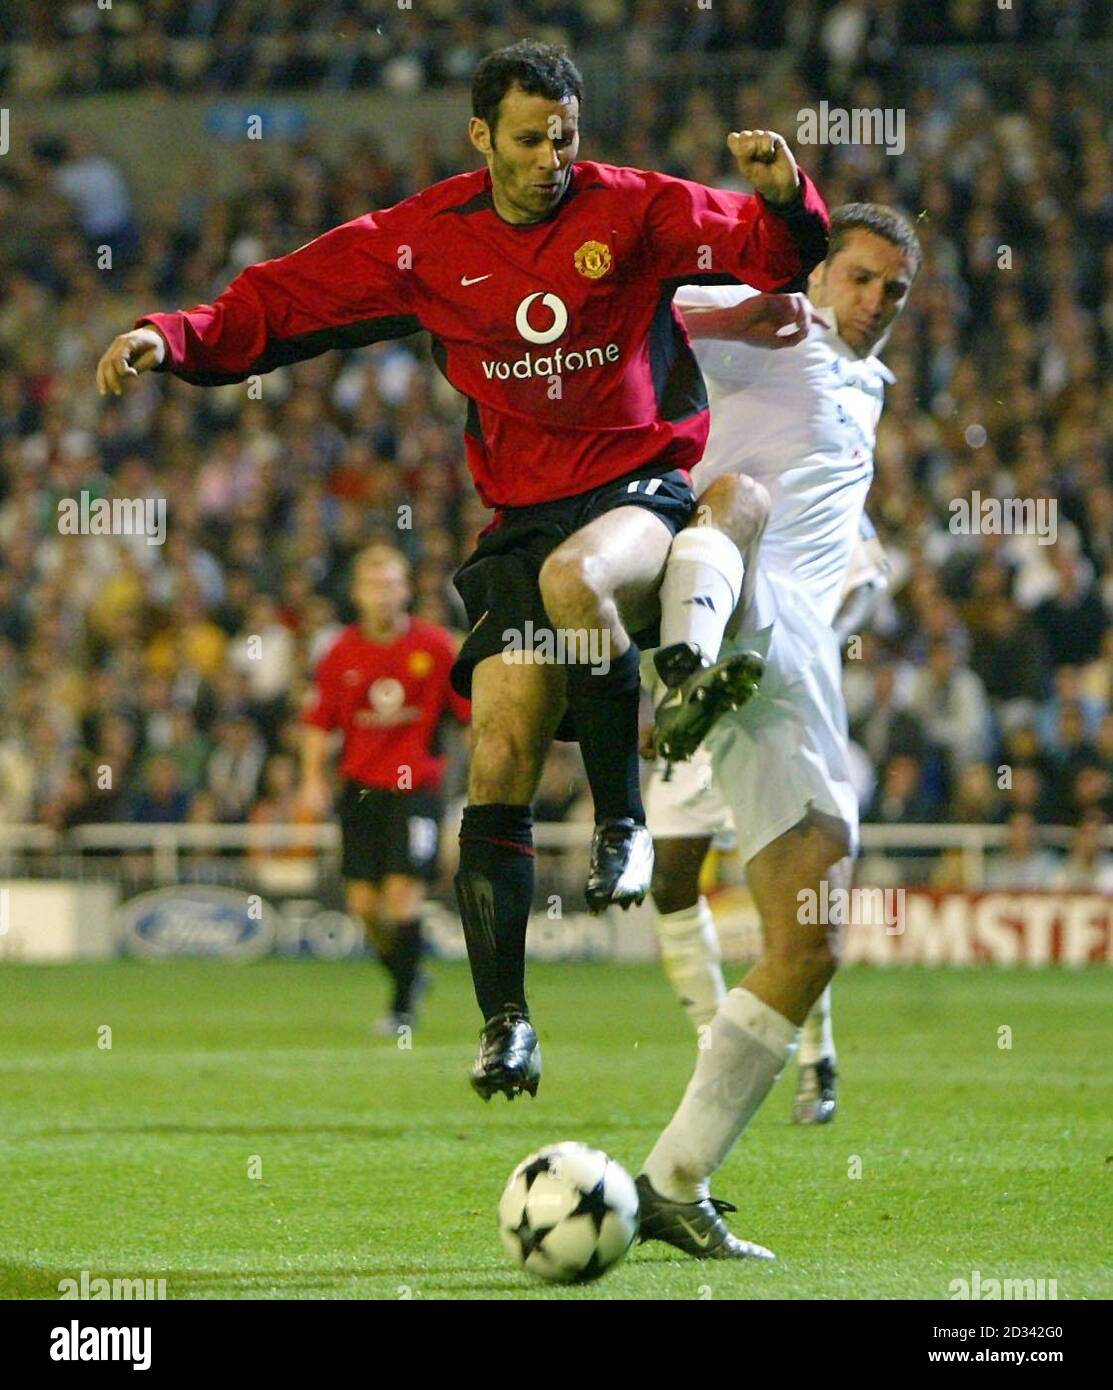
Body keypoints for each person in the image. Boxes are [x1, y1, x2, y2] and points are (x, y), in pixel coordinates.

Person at [95, 40, 829, 1100]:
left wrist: (790, 197)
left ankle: (622, 824)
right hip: (518, 525)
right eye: (529, 140)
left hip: (637, 494)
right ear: (482, 134)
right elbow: (287, 300)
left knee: (582, 581)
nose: (550, 159)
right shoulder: (423, 241)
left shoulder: (635, 208)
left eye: (565, 136)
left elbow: (767, 253)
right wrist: (176, 334)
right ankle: (507, 1024)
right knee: (497, 753)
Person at [632, 204, 923, 1258]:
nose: (875, 303)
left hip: (799, 650)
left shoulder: (870, 383)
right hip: (730, 584)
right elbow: (649, 289)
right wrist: (748, 287)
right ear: (820, 270)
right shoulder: (779, 324)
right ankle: (691, 666)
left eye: (894, 289)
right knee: (740, 497)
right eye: (858, 277)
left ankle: (672, 1182)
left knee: (812, 939)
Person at [645, 515, 891, 1126]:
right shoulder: (684, 472)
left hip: (776, 708)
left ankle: (816, 1057)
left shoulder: (813, 471)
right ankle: (718, 1046)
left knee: (793, 889)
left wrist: (809, 644)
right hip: (699, 706)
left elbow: (868, 580)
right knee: (670, 880)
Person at [299, 544, 470, 1034]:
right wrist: (312, 779)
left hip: (417, 788)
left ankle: (401, 1013)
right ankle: (409, 974)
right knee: (363, 908)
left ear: (407, 589)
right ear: (357, 593)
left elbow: (468, 718)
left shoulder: (435, 648)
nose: (384, 594)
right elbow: (318, 723)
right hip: (360, 789)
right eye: (375, 585)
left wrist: (474, 788)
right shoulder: (340, 653)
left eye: (393, 584)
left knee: (402, 898)